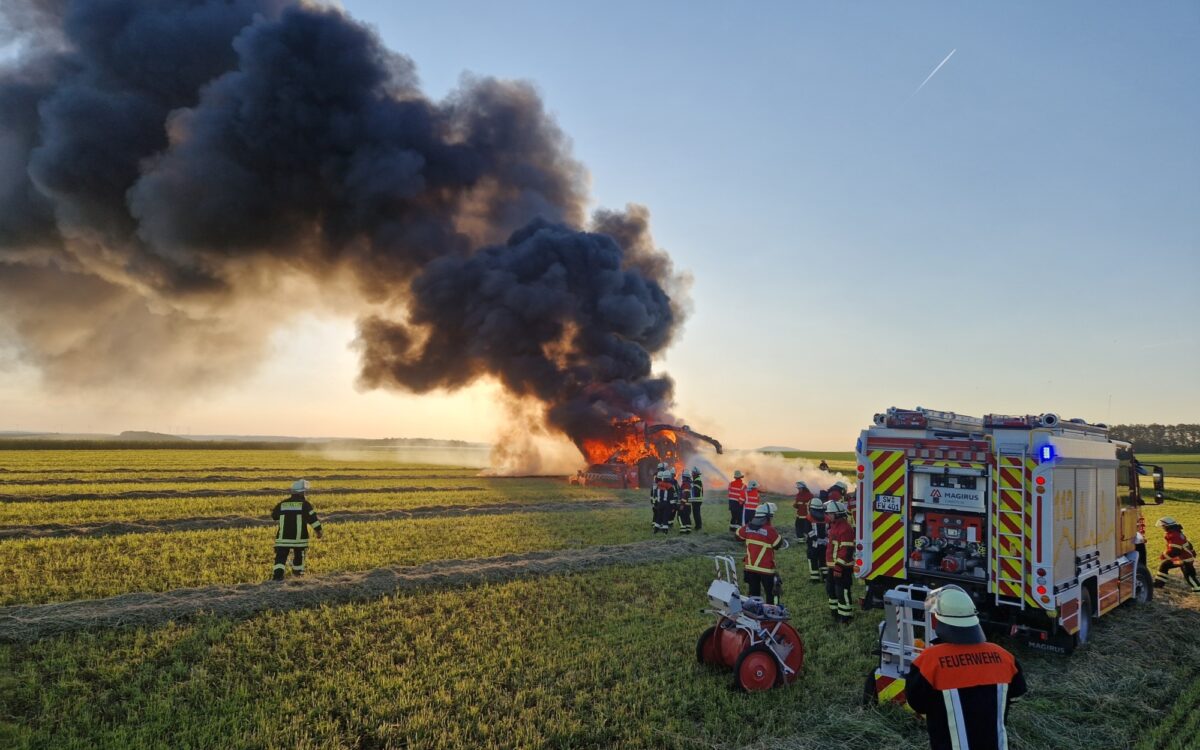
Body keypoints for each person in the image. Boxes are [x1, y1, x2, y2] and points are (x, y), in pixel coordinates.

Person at [905, 586, 1028, 750]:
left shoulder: (928, 662)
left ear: (937, 621)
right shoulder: (1004, 657)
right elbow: (1017, 692)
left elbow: (917, 704)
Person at [271, 479, 323, 580]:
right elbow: (313, 519)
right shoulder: (305, 504)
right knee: (299, 557)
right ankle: (297, 577)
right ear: (302, 492)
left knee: (280, 558)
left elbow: (274, 516)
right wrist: (318, 531)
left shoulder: (283, 504)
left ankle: (277, 579)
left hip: (283, 538)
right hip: (299, 539)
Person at [736, 502, 784, 605]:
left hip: (750, 568)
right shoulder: (770, 530)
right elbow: (778, 545)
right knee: (772, 594)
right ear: (767, 517)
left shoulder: (747, 527)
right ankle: (772, 613)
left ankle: (754, 614)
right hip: (766, 569)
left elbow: (738, 536)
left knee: (754, 595)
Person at [824, 498, 855, 623]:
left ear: (837, 514)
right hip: (832, 566)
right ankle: (835, 613)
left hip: (842, 567)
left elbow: (846, 550)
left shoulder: (845, 528)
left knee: (842, 591)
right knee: (830, 589)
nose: (828, 516)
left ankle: (846, 616)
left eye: (830, 514)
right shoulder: (834, 526)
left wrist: (839, 566)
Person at [1155, 516, 1200, 593]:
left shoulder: (1173, 535)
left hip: (1184, 559)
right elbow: (1188, 544)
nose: (1162, 528)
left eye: (1163, 526)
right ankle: (1158, 584)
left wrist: (1164, 556)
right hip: (1182, 558)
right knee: (1165, 565)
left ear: (1167, 526)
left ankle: (1198, 590)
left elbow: (1175, 551)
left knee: (1189, 576)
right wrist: (1192, 551)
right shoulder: (1177, 532)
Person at [804, 496, 828, 583]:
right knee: (823, 560)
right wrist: (825, 540)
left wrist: (815, 539)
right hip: (824, 544)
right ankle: (826, 577)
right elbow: (829, 530)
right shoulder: (826, 517)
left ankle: (815, 578)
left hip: (813, 544)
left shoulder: (808, 518)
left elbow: (807, 530)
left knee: (812, 559)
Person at [652, 469, 678, 534]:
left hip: (659, 503)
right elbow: (671, 498)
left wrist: (655, 503)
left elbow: (655, 495)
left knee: (659, 516)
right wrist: (674, 506)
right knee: (665, 517)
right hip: (667, 504)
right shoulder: (670, 486)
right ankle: (665, 530)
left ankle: (656, 529)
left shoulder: (658, 485)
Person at [673, 468, 692, 533]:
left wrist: (682, 504)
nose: (682, 478)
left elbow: (685, 495)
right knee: (687, 517)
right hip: (688, 505)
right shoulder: (689, 484)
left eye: (683, 477)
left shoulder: (685, 484)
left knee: (680, 516)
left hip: (684, 505)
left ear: (685, 477)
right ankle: (688, 529)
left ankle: (683, 529)